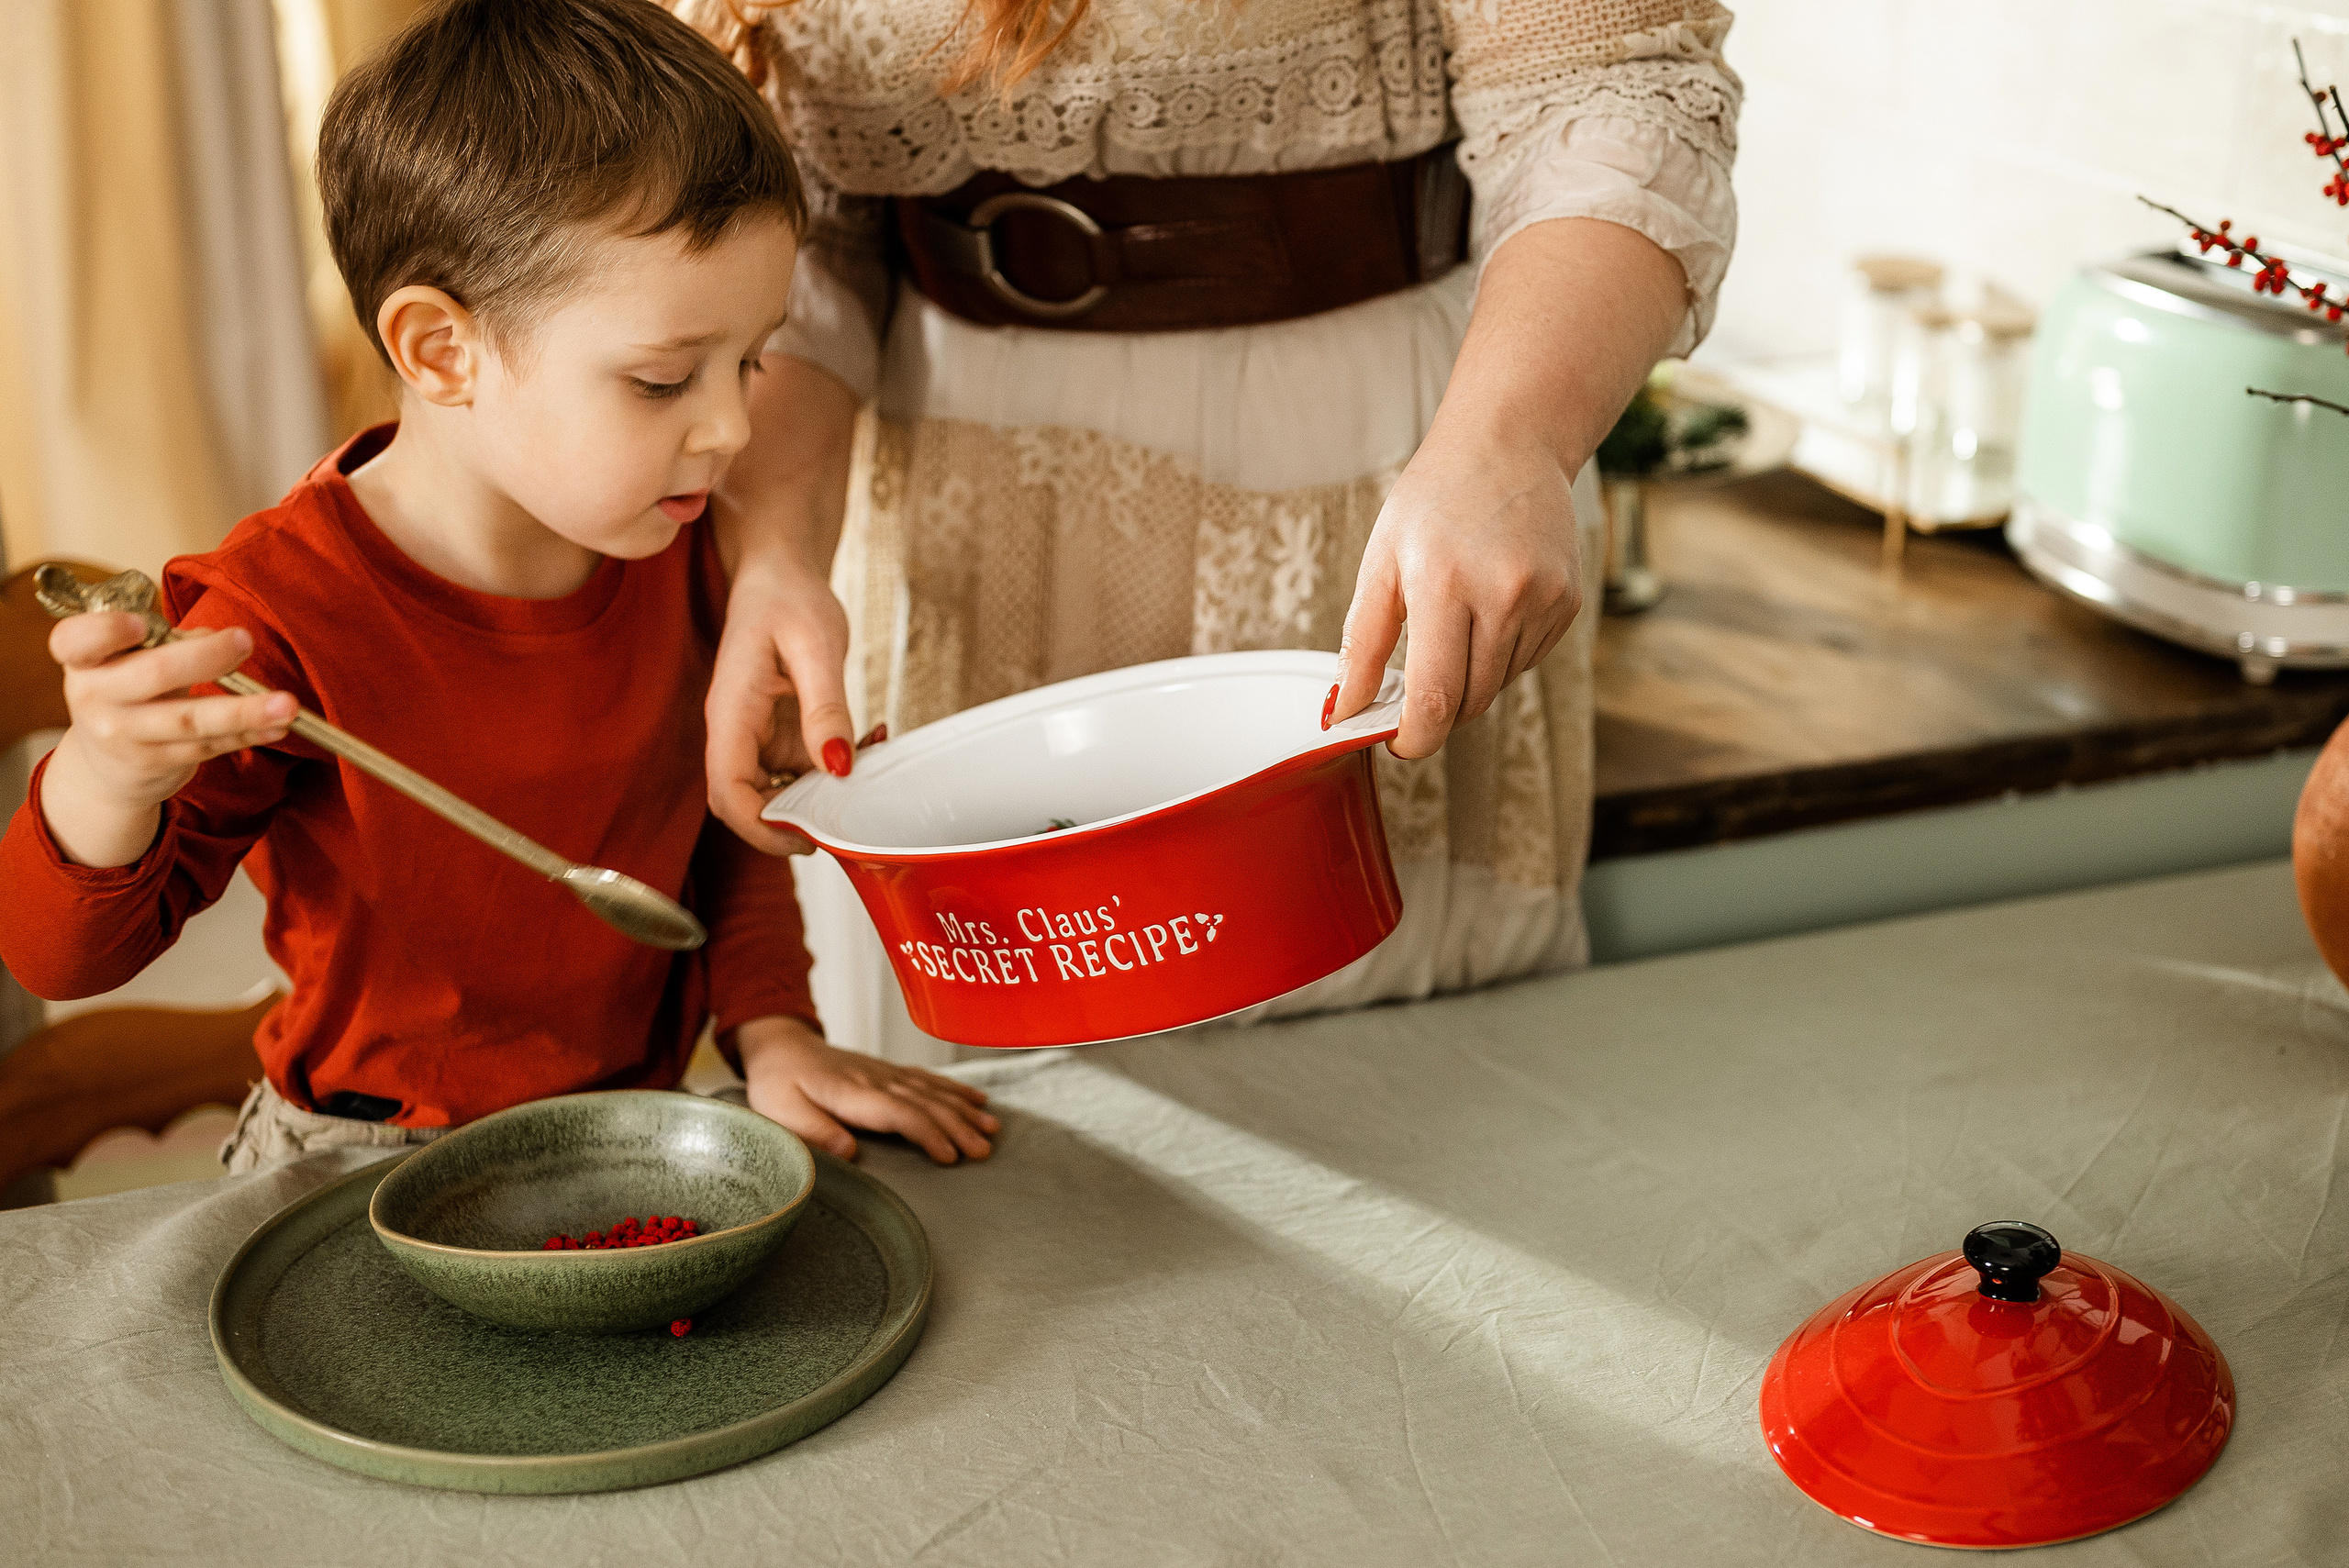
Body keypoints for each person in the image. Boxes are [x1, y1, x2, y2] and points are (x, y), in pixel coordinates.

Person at [0, 0, 996, 1169]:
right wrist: (107, 779)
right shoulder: (272, 620)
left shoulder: (680, 540)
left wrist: (775, 1031)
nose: (732, 427)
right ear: (441, 351)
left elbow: (722, 830)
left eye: (749, 359)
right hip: (359, 1162)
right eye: (663, 380)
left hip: (633, 1141)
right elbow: (61, 957)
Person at [681, 0, 1742, 1052]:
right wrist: (776, 550)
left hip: (1380, 464)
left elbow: (1611, 88)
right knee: (998, 1076)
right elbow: (807, 237)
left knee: (1383, 1066)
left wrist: (1509, 442)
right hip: (945, 503)